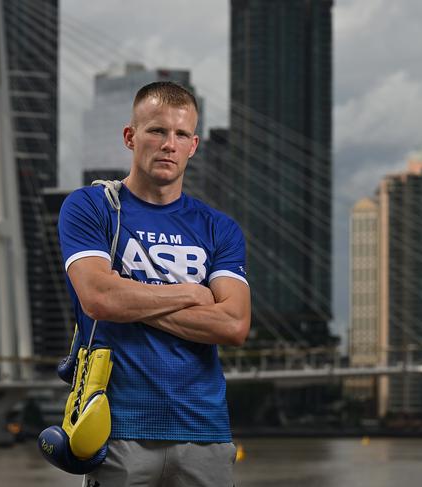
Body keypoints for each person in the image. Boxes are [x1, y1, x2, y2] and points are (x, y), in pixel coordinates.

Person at [58, 81, 251, 487]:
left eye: (181, 135)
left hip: (204, 433)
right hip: (116, 429)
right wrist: (192, 294)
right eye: (157, 131)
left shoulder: (219, 229)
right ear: (131, 136)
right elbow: (98, 298)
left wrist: (131, 297)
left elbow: (233, 325)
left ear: (194, 145)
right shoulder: (91, 207)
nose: (169, 144)